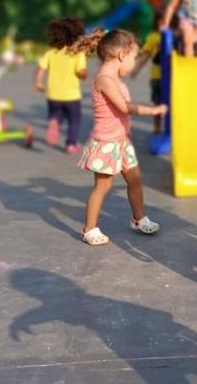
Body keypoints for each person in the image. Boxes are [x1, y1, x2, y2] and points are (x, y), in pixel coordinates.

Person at [68, 29, 168, 246]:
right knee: (102, 187)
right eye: (133, 57)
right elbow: (124, 107)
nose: (134, 63)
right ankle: (89, 228)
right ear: (122, 54)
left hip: (122, 142)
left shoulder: (115, 78)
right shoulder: (104, 79)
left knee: (135, 179)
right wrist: (153, 110)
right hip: (106, 143)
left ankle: (139, 218)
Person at [34, 17, 88, 153]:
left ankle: (54, 121)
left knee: (56, 113)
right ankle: (71, 144)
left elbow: (41, 68)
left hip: (53, 95)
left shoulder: (51, 53)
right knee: (74, 119)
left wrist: (39, 82)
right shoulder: (77, 54)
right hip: (72, 96)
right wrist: (84, 74)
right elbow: (80, 72)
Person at [133, 15, 166, 136]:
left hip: (173, 76)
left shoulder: (175, 35)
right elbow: (146, 55)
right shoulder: (153, 37)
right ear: (157, 23)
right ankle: (157, 127)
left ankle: (173, 127)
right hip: (157, 76)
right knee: (158, 103)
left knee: (172, 103)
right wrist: (136, 68)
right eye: (162, 22)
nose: (164, 24)